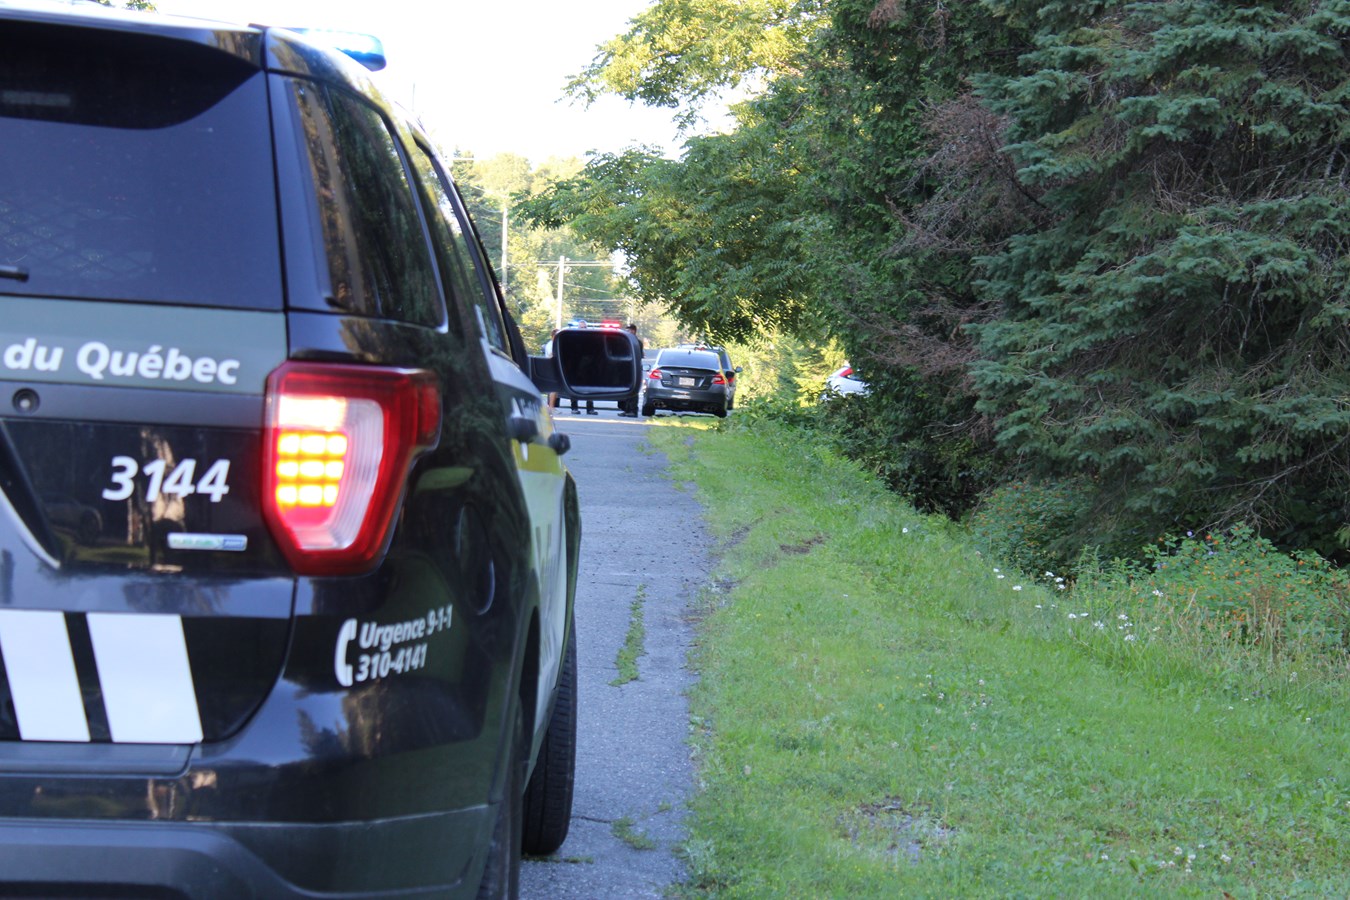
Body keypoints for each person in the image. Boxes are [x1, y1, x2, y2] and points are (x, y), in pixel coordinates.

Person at [619, 323, 644, 417]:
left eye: (629, 330)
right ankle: (626, 409)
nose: (627, 331)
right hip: (625, 368)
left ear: (633, 331)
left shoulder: (637, 342)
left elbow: (638, 356)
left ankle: (633, 410)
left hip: (633, 369)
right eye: (626, 330)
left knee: (633, 389)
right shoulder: (625, 341)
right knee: (625, 389)